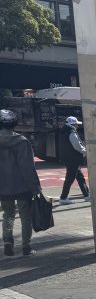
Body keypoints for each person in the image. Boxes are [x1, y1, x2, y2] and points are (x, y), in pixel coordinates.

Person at [0, 109, 41, 257]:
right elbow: (28, 167)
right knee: (25, 216)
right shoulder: (22, 141)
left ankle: (8, 242)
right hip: (23, 185)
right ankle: (26, 246)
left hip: (3, 186)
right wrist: (35, 187)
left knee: (8, 215)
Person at [59, 116, 90, 204]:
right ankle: (63, 197)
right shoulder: (71, 132)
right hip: (73, 158)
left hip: (67, 157)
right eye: (76, 124)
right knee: (70, 178)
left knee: (79, 177)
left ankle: (86, 194)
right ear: (72, 124)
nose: (77, 126)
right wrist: (84, 151)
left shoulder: (63, 131)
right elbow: (77, 145)